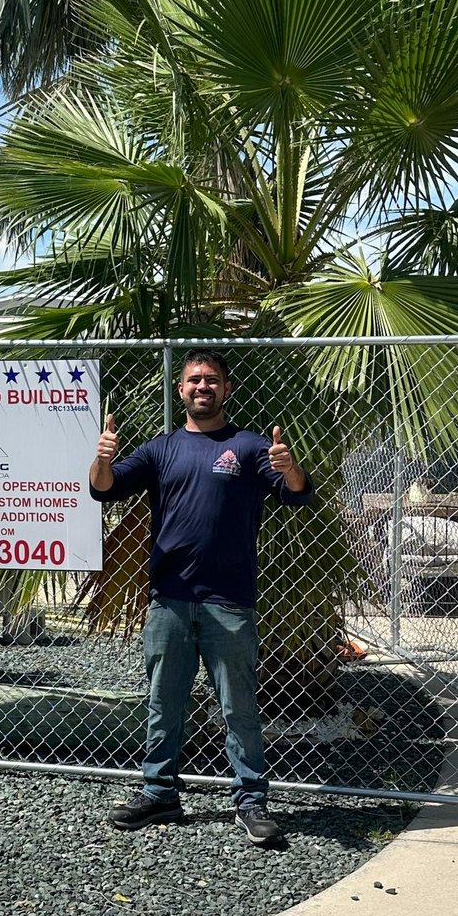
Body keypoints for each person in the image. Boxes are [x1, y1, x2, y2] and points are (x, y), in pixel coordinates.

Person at [89, 348, 314, 848]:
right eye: (194, 380)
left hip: (228, 602)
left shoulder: (251, 447)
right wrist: (101, 458)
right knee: (163, 701)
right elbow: (104, 489)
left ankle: (252, 801)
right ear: (181, 390)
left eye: (212, 380)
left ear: (226, 389)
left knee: (239, 706)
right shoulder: (161, 448)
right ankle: (160, 793)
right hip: (169, 600)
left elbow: (297, 494)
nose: (202, 387)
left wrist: (290, 466)